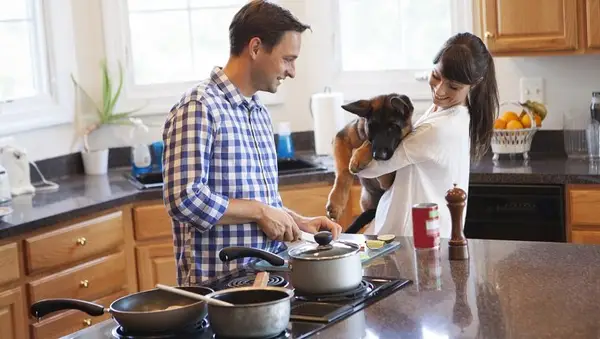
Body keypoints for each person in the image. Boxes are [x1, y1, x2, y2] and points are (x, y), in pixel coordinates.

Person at [162, 0, 342, 285]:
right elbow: (184, 199)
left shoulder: (258, 111)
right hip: (217, 287)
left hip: (265, 278)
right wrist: (260, 212)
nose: (292, 72)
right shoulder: (199, 106)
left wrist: (297, 222)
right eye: (288, 59)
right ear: (256, 48)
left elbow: (262, 203)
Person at [355, 32, 499, 238]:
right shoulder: (451, 111)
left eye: (453, 86)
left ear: (474, 85)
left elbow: (368, 167)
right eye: (437, 76)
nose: (440, 90)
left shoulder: (439, 129)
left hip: (412, 238)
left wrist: (360, 132)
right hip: (424, 234)